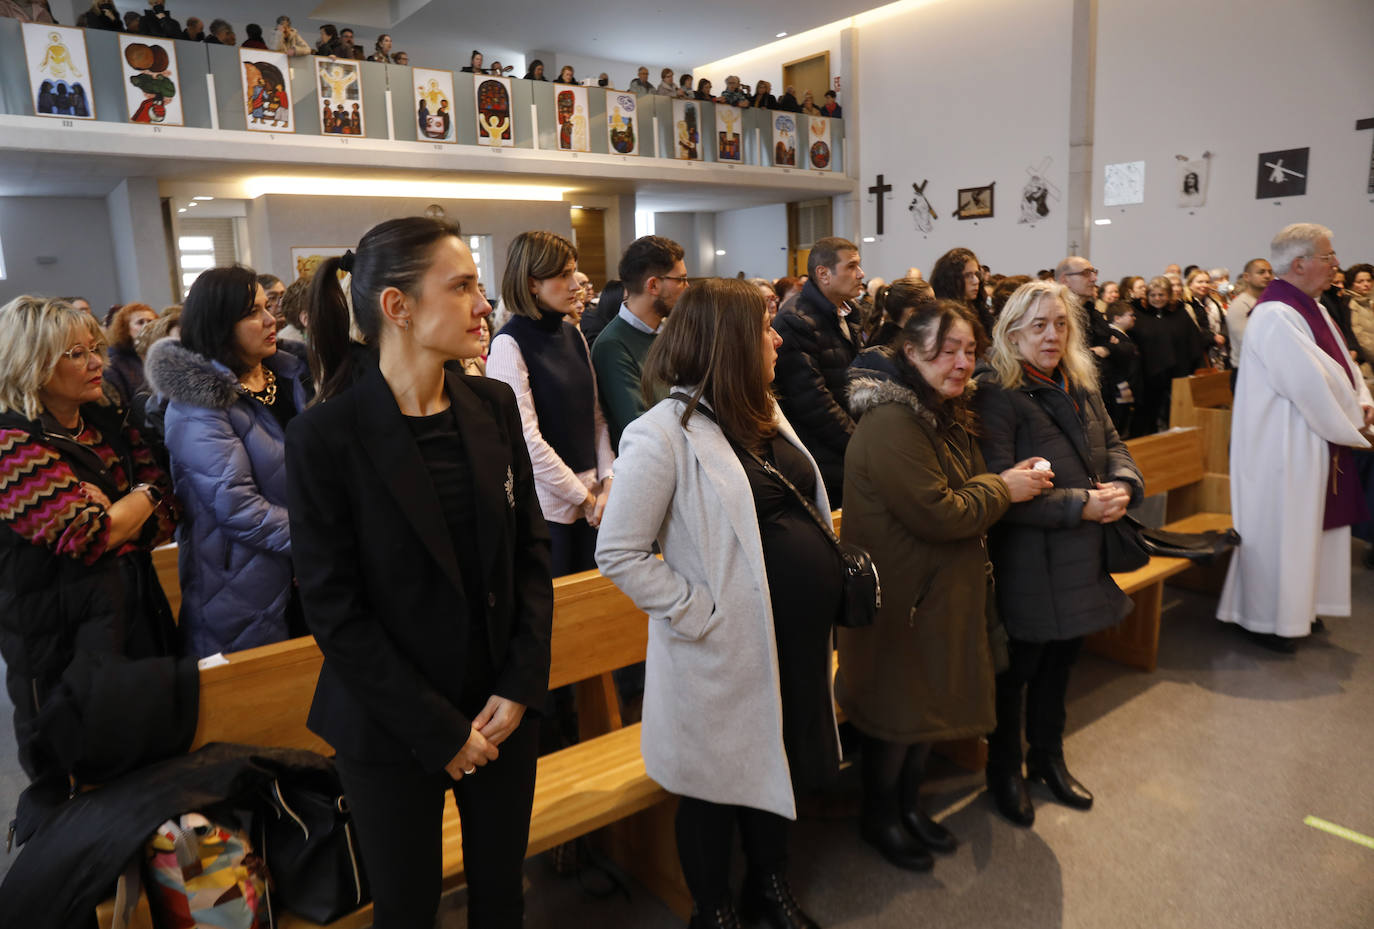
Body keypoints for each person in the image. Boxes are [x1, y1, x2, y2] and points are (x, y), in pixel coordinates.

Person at [287, 217, 553, 929]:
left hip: (499, 710)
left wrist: (520, 684)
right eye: (462, 286)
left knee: (503, 894)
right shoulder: (326, 435)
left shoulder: (489, 405)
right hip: (392, 721)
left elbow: (531, 554)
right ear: (397, 307)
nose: (483, 304)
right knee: (406, 908)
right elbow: (335, 611)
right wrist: (438, 729)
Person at [596, 278, 840, 929]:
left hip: (787, 639)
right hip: (720, 645)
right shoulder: (662, 434)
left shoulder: (764, 410)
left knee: (771, 757)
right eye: (764, 326)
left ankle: (769, 884)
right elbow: (617, 551)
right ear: (729, 341)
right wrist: (696, 611)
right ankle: (714, 908)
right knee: (712, 786)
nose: (777, 336)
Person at [839, 299, 1050, 871]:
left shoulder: (943, 413)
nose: (962, 363)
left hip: (937, 594)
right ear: (911, 352)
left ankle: (907, 808)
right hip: (903, 599)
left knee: (923, 713)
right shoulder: (891, 423)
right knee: (897, 717)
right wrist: (1004, 488)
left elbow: (969, 486)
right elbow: (942, 512)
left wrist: (1000, 482)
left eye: (970, 351)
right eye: (947, 350)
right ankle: (879, 818)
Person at [0, 296, 190, 794]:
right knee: (81, 786)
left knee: (154, 775)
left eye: (96, 349)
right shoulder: (11, 444)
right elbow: (88, 536)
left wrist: (133, 501)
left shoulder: (106, 420)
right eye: (76, 354)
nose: (96, 364)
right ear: (33, 362)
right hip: (59, 645)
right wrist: (131, 506)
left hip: (135, 621)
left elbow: (168, 512)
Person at [974, 280, 1143, 827]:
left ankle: (1048, 758)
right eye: (1039, 325)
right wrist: (1082, 507)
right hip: (1030, 559)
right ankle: (1003, 771)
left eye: (1060, 323)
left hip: (1081, 554)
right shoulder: (997, 391)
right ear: (1012, 330)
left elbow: (1115, 445)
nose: (1051, 334)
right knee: (1020, 670)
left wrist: (1123, 486)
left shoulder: (1079, 381)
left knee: (1062, 662)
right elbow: (1002, 491)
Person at [1217, 223, 1374, 650]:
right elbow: (1309, 382)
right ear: (1300, 263)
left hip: (1311, 438)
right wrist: (1354, 413)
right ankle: (1265, 620)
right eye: (1328, 257)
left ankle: (1298, 611)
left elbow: (1342, 364)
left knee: (1307, 533)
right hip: (1282, 445)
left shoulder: (1313, 308)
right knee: (1281, 534)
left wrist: (1361, 397)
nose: (1336, 263)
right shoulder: (1275, 314)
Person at [144, 267, 309, 658]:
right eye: (253, 312)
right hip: (242, 582)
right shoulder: (196, 404)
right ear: (220, 323)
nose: (271, 319)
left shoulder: (292, 376)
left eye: (268, 307)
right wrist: (322, 539)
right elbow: (236, 506)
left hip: (307, 571)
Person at [486, 231, 613, 576]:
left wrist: (607, 483)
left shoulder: (573, 335)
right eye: (563, 275)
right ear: (531, 284)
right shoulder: (508, 345)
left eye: (575, 272)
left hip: (596, 500)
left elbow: (596, 418)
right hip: (550, 508)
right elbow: (525, 441)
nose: (577, 285)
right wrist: (584, 498)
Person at [772, 237, 865, 504]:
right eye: (852, 266)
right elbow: (814, 403)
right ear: (824, 274)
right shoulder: (795, 320)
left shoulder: (850, 312)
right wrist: (861, 444)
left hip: (849, 450)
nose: (861, 274)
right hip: (824, 457)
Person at [591, 235, 687, 453]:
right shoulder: (612, 345)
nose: (686, 287)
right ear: (653, 285)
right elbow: (638, 425)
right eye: (680, 279)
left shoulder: (668, 332)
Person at [1132, 275, 1204, 434]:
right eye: (1153, 295)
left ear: (1169, 295)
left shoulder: (1180, 313)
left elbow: (1193, 341)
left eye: (1161, 295)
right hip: (1148, 377)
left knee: (1174, 416)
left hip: (1177, 374)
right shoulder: (1138, 314)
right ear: (1147, 296)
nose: (1157, 299)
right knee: (1149, 419)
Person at [931, 246, 992, 341]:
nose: (976, 281)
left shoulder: (981, 311)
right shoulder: (939, 318)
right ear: (951, 279)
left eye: (976, 274)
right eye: (968, 276)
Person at [1224, 258, 1273, 363]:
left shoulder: (1271, 302)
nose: (1267, 276)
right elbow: (1247, 342)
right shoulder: (1240, 305)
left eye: (1270, 272)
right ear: (1247, 277)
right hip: (1246, 368)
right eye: (1261, 272)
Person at [1183, 268, 1227, 368]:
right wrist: (1213, 337)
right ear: (1190, 284)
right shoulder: (1186, 304)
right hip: (1200, 352)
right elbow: (1192, 328)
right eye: (1200, 282)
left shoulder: (1214, 301)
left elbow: (1224, 321)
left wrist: (1223, 335)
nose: (1204, 285)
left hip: (1220, 349)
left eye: (1207, 282)